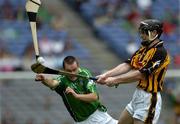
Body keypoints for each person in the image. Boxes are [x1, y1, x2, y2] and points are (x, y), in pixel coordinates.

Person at [97, 19, 170, 124]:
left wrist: (115, 80)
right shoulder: (143, 49)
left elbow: (141, 75)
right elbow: (128, 64)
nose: (141, 35)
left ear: (154, 33)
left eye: (144, 32)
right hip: (138, 96)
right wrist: (106, 75)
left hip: (149, 99)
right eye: (141, 31)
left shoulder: (160, 52)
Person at [35, 56, 117, 124]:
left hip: (97, 116)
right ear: (64, 70)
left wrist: (77, 96)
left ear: (78, 66)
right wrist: (43, 79)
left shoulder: (85, 74)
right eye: (69, 71)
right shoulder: (62, 80)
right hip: (81, 122)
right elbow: (52, 83)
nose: (72, 73)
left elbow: (94, 97)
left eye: (74, 69)